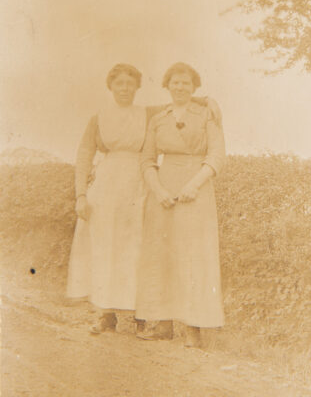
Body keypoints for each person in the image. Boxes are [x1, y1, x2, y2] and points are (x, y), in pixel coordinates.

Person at [66, 63, 221, 334]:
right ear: (110, 86)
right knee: (105, 246)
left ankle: (139, 315)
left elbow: (179, 98)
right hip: (105, 188)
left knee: (138, 248)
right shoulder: (98, 117)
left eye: (130, 84)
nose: (125, 89)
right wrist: (81, 195)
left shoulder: (149, 113)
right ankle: (106, 313)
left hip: (139, 186)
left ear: (138, 87)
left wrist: (205, 99)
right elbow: (83, 155)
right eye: (119, 84)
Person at [135, 62, 226, 348]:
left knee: (193, 255)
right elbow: (147, 160)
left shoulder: (207, 114)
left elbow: (216, 156)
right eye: (175, 82)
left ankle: (193, 328)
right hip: (164, 191)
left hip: (196, 189)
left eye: (185, 83)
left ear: (194, 86)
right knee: (162, 254)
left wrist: (194, 184)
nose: (180, 87)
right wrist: (159, 190)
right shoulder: (158, 118)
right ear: (167, 85)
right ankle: (163, 324)